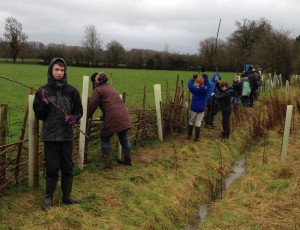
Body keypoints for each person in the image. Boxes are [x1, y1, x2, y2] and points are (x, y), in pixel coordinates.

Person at [33, 57, 83, 210]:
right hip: (50, 136)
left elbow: (79, 111)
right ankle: (48, 197)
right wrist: (45, 103)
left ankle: (67, 195)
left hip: (66, 136)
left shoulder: (72, 91)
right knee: (52, 167)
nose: (59, 73)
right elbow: (39, 115)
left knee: (68, 166)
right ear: (51, 70)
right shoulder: (43, 91)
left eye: (62, 70)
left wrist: (74, 118)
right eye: (56, 69)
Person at [88, 72, 132, 169]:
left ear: (94, 81)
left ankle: (107, 164)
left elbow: (92, 106)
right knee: (123, 137)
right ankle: (128, 160)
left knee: (104, 137)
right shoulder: (110, 87)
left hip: (114, 117)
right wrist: (102, 117)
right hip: (123, 115)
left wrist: (85, 116)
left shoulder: (97, 89)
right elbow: (112, 105)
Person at [187, 72, 209, 141]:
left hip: (194, 108)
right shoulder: (205, 90)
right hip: (201, 109)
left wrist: (193, 78)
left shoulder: (194, 89)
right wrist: (204, 75)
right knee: (198, 123)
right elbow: (207, 84)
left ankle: (189, 136)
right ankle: (197, 138)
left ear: (198, 83)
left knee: (191, 122)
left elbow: (189, 85)